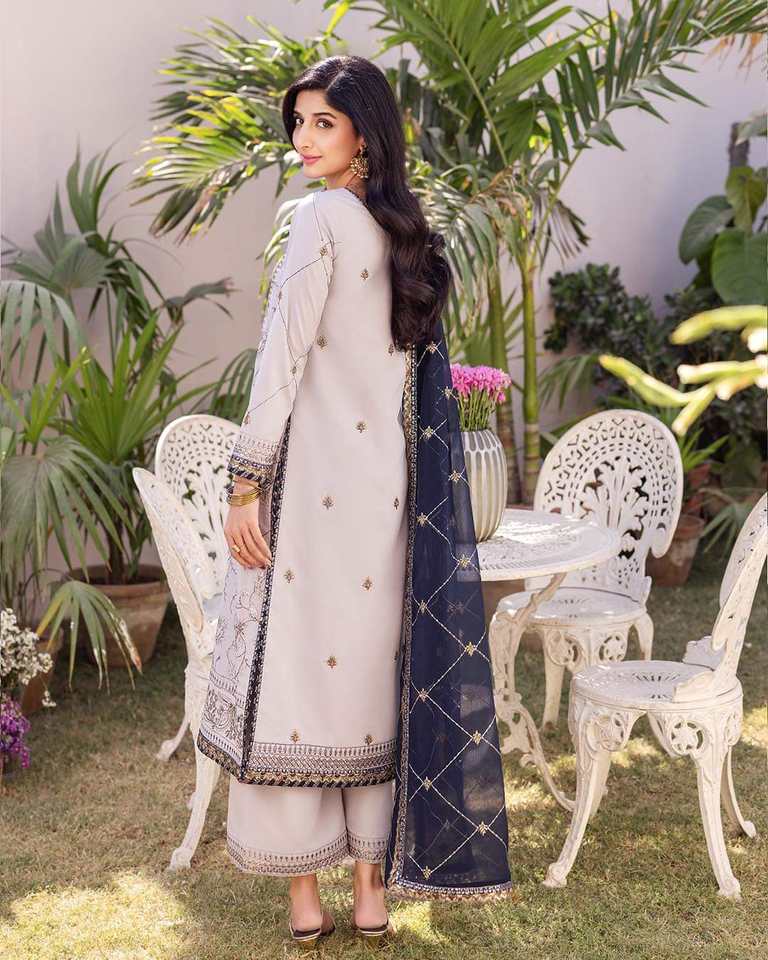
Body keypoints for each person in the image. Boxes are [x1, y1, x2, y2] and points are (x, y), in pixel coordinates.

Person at [196, 54, 512, 948]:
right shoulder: (406, 236)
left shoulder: (319, 219)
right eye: (298, 123)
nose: (303, 139)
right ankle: (372, 893)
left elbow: (281, 360)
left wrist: (245, 483)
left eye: (322, 123)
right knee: (374, 682)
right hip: (385, 498)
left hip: (308, 497)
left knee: (294, 683)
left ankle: (307, 901)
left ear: (364, 133)